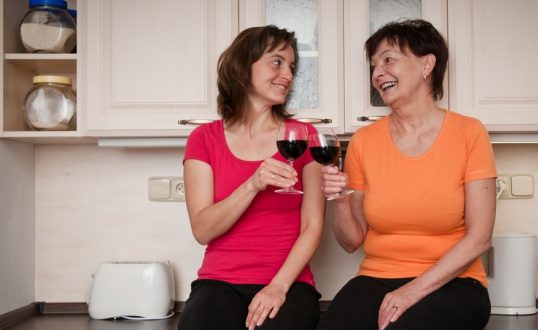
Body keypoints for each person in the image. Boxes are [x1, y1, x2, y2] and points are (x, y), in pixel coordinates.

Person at [316, 19, 497, 330]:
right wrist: (340, 200)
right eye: (373, 66)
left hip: (455, 282)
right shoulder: (364, 141)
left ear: (427, 64)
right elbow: (350, 242)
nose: (377, 73)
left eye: (388, 59)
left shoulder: (469, 133)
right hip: (376, 278)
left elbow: (479, 239)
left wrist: (413, 290)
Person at [178, 25, 324, 330]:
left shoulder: (303, 136)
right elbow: (203, 230)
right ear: (244, 67)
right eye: (277, 62)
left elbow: (312, 226)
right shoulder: (204, 139)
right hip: (219, 282)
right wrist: (253, 184)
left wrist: (279, 286)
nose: (288, 74)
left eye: (291, 66)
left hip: (289, 282)